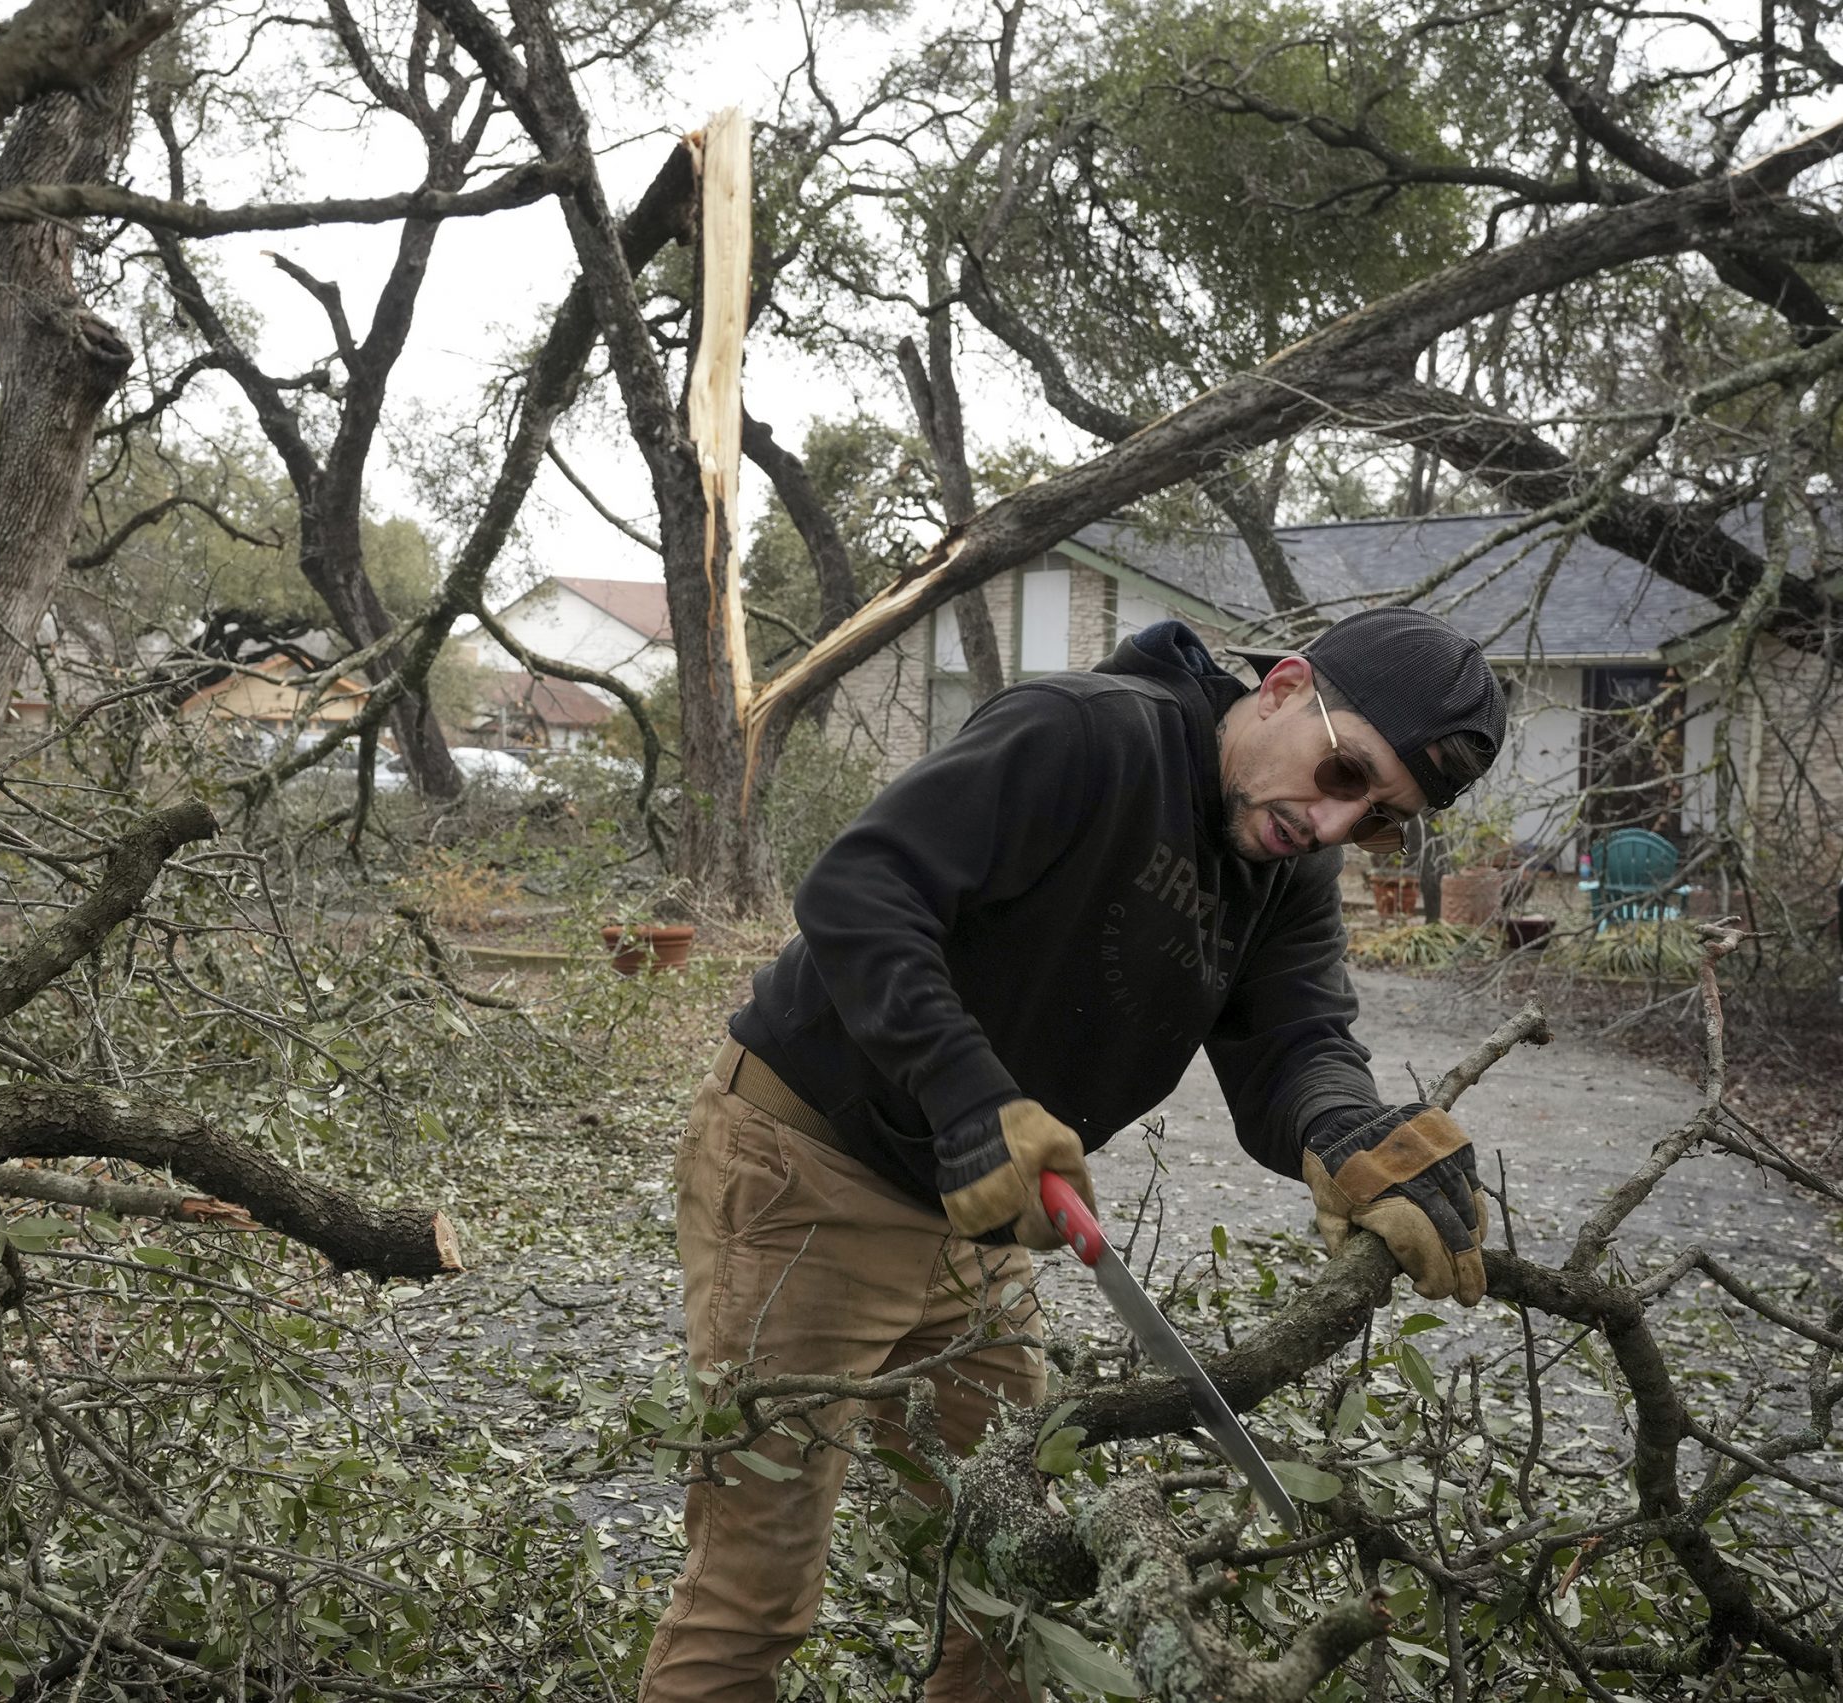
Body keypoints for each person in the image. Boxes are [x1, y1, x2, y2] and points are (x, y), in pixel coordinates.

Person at [641, 609, 1508, 1702]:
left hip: (991, 1210)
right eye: (1344, 771)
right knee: (755, 1588)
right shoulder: (1083, 734)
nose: (1334, 821)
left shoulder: (1283, 866)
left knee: (1012, 1574)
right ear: (1286, 686)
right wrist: (967, 1096)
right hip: (809, 1174)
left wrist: (1350, 1130)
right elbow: (860, 891)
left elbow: (1298, 1040)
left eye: (1378, 820)